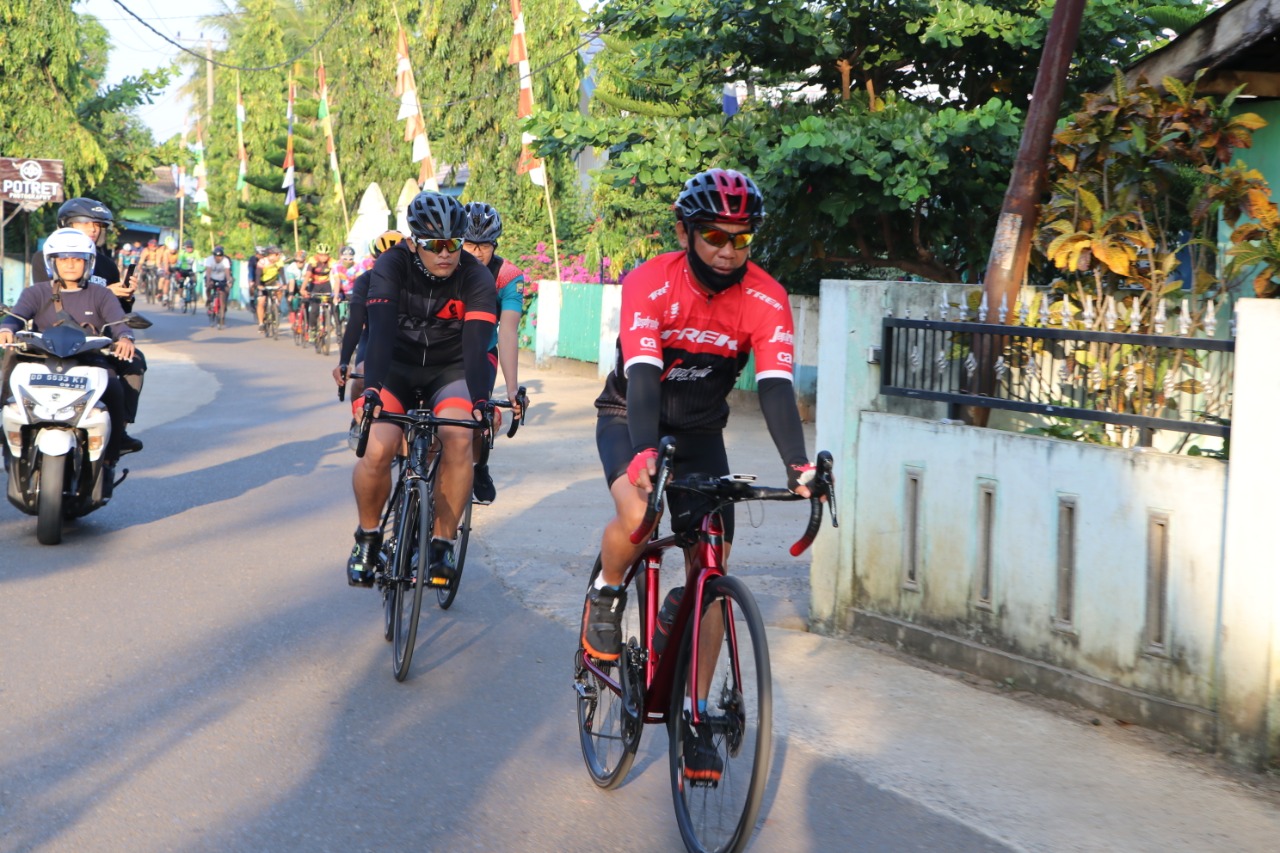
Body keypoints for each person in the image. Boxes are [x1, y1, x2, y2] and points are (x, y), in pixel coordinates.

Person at [582, 168, 817, 781]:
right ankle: (608, 595)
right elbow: (639, 380)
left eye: (742, 239)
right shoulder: (650, 282)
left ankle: (695, 712)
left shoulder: (766, 297)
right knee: (639, 517)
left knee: (712, 565)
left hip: (701, 434)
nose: (728, 250)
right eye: (714, 235)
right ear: (686, 231)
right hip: (632, 418)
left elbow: (774, 387)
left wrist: (798, 465)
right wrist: (641, 455)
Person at [343, 192, 497, 587]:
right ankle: (368, 537)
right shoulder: (392, 265)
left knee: (460, 436)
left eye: (453, 243)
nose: (445, 254)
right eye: (433, 245)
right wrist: (373, 390)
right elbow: (376, 335)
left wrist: (480, 400)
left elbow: (477, 345)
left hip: (449, 368)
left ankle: (442, 544)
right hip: (395, 365)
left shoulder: (475, 276)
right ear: (413, 242)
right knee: (379, 445)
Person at [1, 228, 142, 463]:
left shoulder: (101, 294)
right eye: (63, 259)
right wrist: (6, 329)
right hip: (41, 358)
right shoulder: (36, 292)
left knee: (114, 387)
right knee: (11, 365)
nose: (70, 265)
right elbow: (16, 316)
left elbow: (118, 322)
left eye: (77, 259)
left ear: (88, 263)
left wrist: (125, 338)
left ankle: (111, 453)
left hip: (90, 360)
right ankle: (6, 429)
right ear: (52, 262)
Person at [34, 198, 146, 449]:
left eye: (97, 224)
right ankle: (7, 415)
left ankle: (119, 431)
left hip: (93, 342)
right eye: (85, 223)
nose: (93, 229)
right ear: (66, 225)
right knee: (10, 359)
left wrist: (126, 297)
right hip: (50, 339)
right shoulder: (45, 257)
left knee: (134, 361)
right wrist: (105, 291)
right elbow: (47, 297)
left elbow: (116, 314)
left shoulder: (105, 264)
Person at [461, 201, 526, 503]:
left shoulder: (507, 275)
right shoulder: (446, 264)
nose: (476, 253)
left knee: (481, 416)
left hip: (481, 351)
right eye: (469, 244)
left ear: (495, 244)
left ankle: (479, 466)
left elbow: (508, 330)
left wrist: (512, 389)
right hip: (442, 349)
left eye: (484, 245)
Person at [333, 230, 403, 414]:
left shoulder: (419, 278)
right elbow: (356, 321)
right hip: (373, 336)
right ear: (376, 259)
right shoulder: (365, 281)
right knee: (363, 374)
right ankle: (359, 420)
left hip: (408, 341)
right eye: (385, 259)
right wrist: (344, 361)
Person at [300, 243, 335, 342]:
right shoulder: (313, 261)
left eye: (326, 255)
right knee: (314, 310)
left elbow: (337, 276)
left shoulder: (332, 262)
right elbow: (307, 276)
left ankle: (329, 322)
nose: (323, 257)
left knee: (332, 302)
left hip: (326, 284)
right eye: (321, 255)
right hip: (314, 285)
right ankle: (313, 329)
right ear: (317, 254)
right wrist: (303, 289)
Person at [255, 246, 286, 329]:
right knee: (261, 302)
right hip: (263, 282)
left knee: (280, 289)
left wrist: (284, 284)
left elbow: (282, 274)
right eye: (276, 254)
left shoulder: (279, 262)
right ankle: (261, 323)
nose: (278, 256)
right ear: (270, 255)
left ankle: (277, 305)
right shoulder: (262, 262)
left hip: (273, 281)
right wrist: (258, 285)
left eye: (278, 254)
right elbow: (257, 274)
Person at [205, 246, 232, 314]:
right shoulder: (209, 259)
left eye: (220, 256)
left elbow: (227, 272)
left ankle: (224, 304)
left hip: (221, 278)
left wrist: (229, 281)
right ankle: (209, 299)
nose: (218, 258)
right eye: (216, 256)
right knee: (209, 286)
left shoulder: (226, 260)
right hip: (212, 277)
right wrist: (208, 281)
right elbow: (208, 272)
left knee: (226, 290)